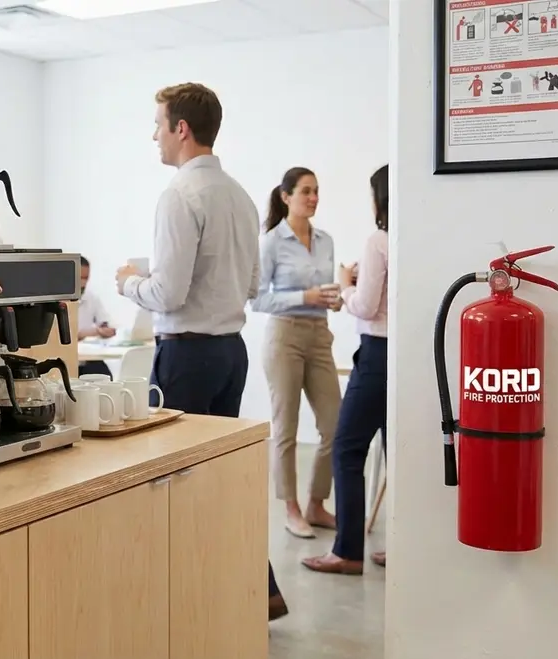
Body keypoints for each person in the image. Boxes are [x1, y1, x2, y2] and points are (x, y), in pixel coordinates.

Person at [113, 82, 282, 618]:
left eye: (158, 123)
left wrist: (128, 281)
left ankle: (188, 604)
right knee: (216, 480)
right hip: (231, 353)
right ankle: (256, 591)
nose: (154, 135)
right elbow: (252, 286)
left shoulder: (179, 196)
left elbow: (168, 293)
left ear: (180, 129)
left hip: (186, 354)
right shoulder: (241, 196)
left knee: (180, 487)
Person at [303, 164, 390, 575]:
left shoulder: (379, 240)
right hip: (407, 354)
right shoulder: (415, 237)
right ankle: (404, 545)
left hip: (377, 354)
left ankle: (347, 551)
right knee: (397, 453)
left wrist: (346, 284)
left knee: (347, 447)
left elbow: (366, 306)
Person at [253, 166, 342, 538]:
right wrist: (303, 297)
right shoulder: (271, 242)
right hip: (284, 336)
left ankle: (316, 503)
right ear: (286, 196)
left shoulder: (325, 240)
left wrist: (334, 299)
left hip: (319, 333)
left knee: (335, 426)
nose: (313, 198)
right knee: (286, 427)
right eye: (306, 191)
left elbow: (325, 290)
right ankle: (291, 508)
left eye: (317, 191)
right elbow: (257, 298)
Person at [77, 256, 116, 378]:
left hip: (88, 358)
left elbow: (105, 322)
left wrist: (105, 328)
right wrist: (87, 333)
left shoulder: (91, 297)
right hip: (69, 360)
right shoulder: (56, 300)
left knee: (106, 378)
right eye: (80, 278)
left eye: (86, 278)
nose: (83, 283)